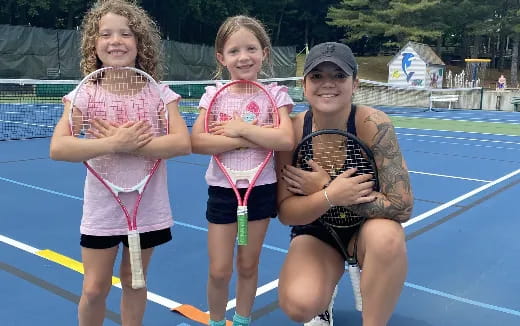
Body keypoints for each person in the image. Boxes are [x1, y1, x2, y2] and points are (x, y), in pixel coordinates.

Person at [49, 1, 191, 325]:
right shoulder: (85, 95)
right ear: (94, 44)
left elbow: (182, 143)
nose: (116, 40)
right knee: (95, 288)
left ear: (139, 43)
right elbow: (58, 147)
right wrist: (112, 143)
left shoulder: (159, 94)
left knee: (134, 281)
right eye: (106, 34)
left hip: (147, 209)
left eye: (126, 33)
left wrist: (132, 146)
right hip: (102, 210)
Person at [276, 42, 413, 326]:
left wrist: (330, 188)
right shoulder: (291, 131)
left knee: (387, 238)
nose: (328, 84)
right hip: (318, 230)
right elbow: (287, 213)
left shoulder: (373, 125)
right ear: (304, 84)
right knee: (298, 304)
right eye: (317, 76)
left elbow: (401, 207)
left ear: (355, 83)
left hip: (366, 230)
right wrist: (329, 196)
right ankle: (322, 302)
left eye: (338, 75)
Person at [190, 15, 294, 326]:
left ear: (265, 53)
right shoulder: (213, 95)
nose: (243, 57)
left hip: (260, 191)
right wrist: (246, 137)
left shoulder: (275, 95)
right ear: (221, 58)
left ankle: (243, 320)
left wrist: (236, 129)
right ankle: (217, 321)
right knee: (219, 269)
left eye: (251, 48)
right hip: (223, 193)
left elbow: (284, 138)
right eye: (234, 51)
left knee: (248, 265)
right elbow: (197, 141)